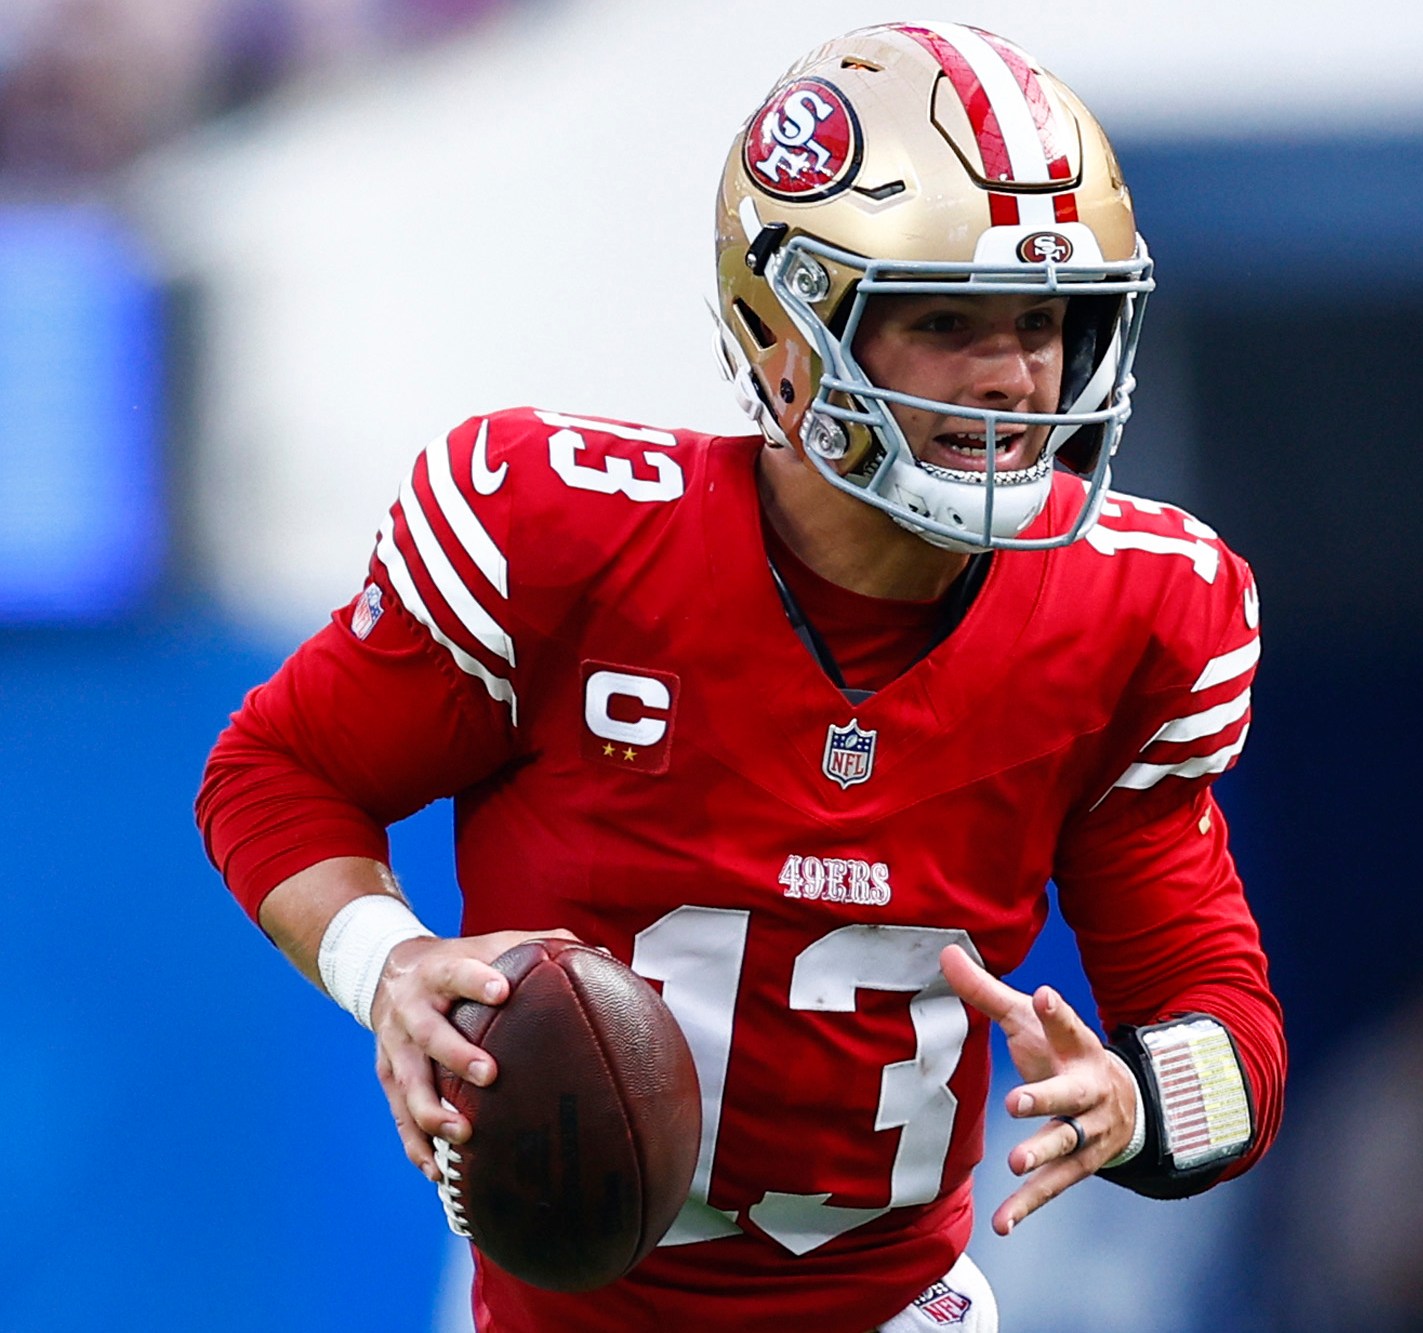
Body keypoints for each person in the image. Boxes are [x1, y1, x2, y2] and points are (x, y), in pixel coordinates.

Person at [195, 22, 1285, 1333]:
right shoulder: (567, 538)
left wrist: (1142, 1100)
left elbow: (1232, 1031)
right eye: (947, 322)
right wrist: (390, 960)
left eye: (1043, 322)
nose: (1013, 373)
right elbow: (277, 769)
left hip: (892, 1310)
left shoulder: (1133, 611)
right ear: (787, 330)